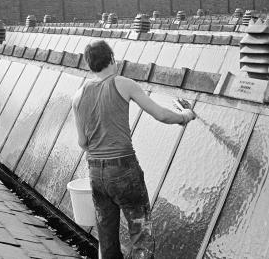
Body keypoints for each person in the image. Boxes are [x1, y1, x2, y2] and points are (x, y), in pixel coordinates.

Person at [71, 40, 195, 259]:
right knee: (141, 235)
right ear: (111, 59)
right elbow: (162, 115)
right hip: (123, 170)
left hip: (96, 174)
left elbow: (82, 142)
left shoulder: (78, 96)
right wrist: (185, 116)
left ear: (89, 65)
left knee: (107, 238)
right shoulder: (122, 83)